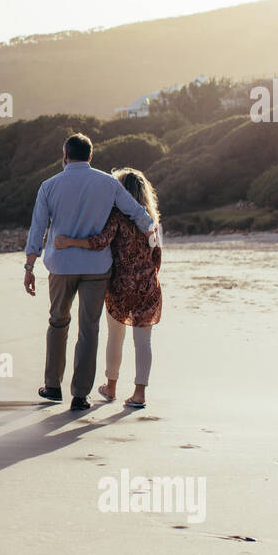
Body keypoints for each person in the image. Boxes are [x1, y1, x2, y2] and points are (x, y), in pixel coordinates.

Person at [23, 134, 155, 412]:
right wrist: (150, 232)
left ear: (65, 155)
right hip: (97, 268)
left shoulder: (48, 186)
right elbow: (136, 212)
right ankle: (81, 395)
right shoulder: (108, 184)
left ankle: (53, 386)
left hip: (62, 265)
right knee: (89, 329)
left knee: (58, 322)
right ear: (91, 156)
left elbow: (38, 229)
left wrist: (30, 265)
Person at [54, 168, 162, 409]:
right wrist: (147, 277)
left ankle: (111, 387)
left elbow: (99, 242)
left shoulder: (117, 217)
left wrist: (69, 241)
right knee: (143, 341)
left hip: (121, 285)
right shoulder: (152, 221)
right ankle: (139, 393)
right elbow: (157, 255)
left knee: (116, 336)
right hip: (148, 284)